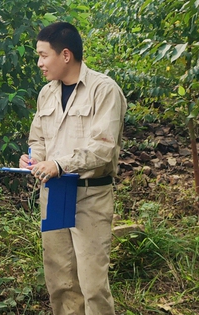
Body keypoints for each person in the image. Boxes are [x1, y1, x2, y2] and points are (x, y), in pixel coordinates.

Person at [18, 22, 126, 315]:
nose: (39, 63)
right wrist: (33, 157)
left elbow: (103, 149)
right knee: (61, 280)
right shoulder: (46, 93)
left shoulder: (104, 90)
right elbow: (37, 138)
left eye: (43, 55)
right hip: (54, 195)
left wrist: (59, 163)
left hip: (89, 196)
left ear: (65, 55)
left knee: (92, 285)